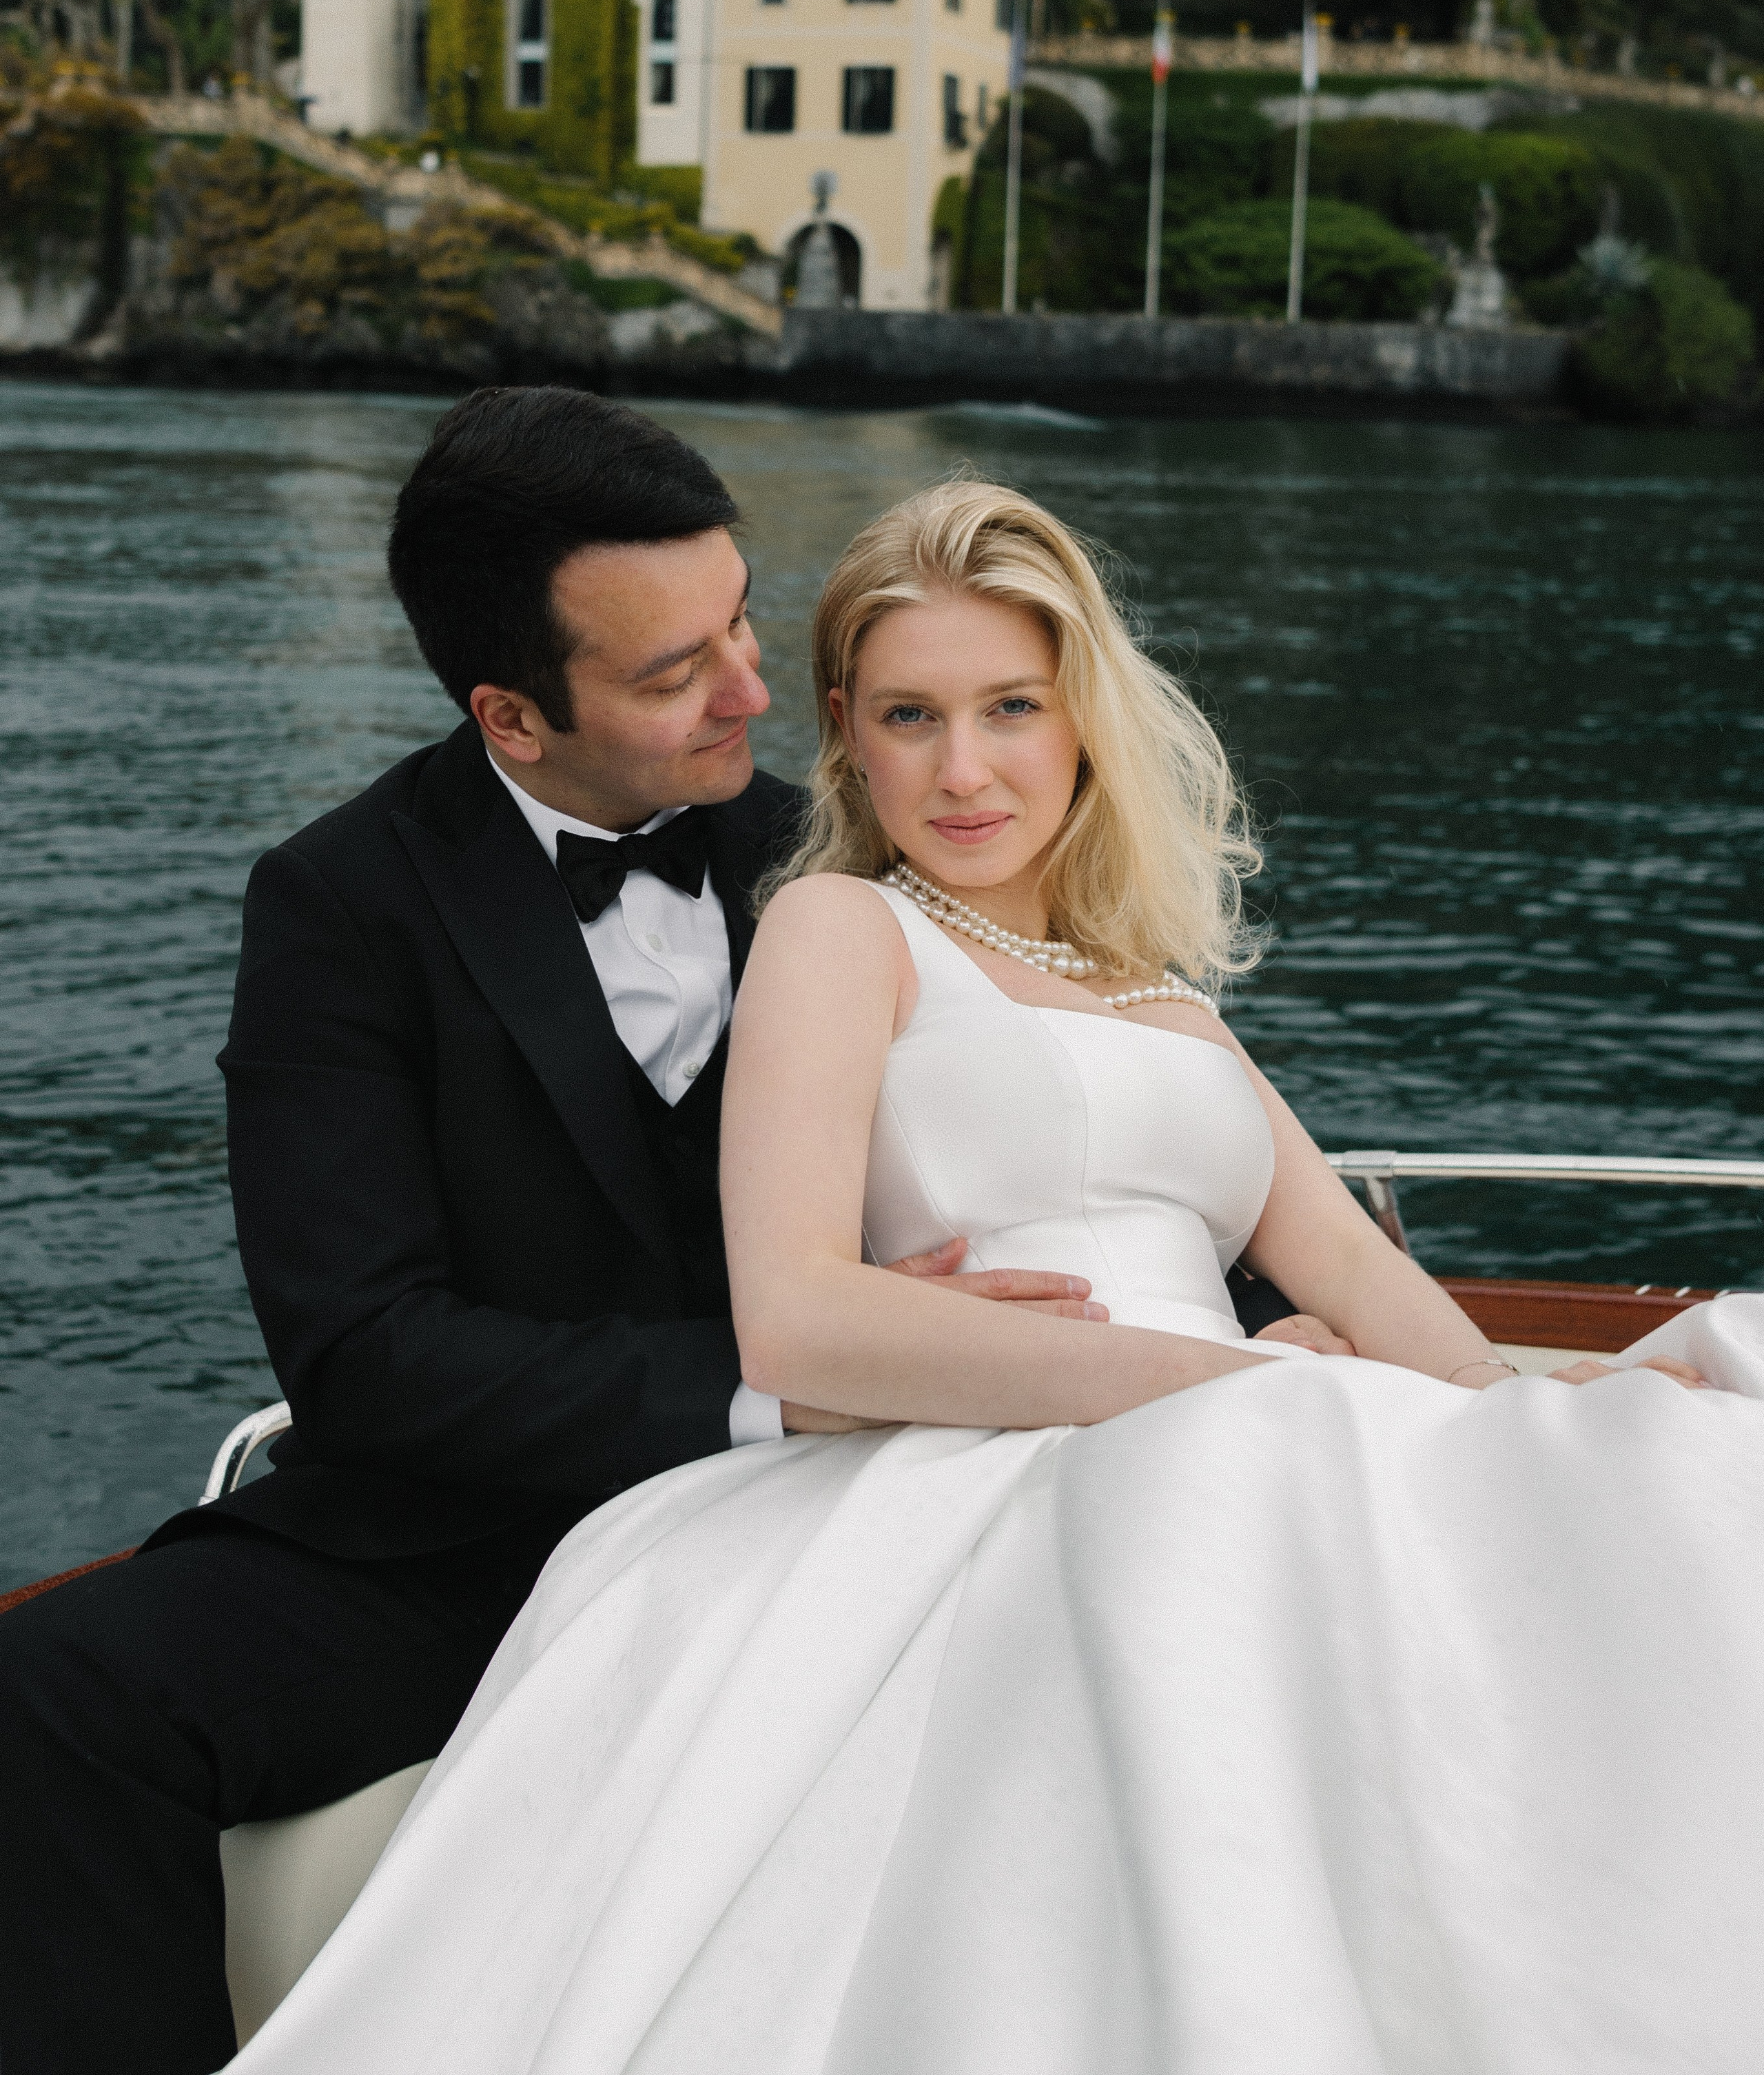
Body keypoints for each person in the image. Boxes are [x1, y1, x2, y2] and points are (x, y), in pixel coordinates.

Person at [225, 478, 1761, 2075]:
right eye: (910, 715)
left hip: (1257, 1431)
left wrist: (1559, 1402)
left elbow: (1387, 1309)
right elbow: (797, 1315)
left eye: (1010, 707)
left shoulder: (1158, 996)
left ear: (1080, 717)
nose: (961, 771)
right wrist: (1253, 1387)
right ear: (848, 733)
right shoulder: (836, 926)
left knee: (1691, 1451)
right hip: (1006, 1460)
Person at [0, 397, 1091, 2075]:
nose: (747, 687)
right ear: (508, 713)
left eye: (739, 617)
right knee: (52, 1697)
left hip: (848, 1511)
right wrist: (787, 1378)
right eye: (674, 673)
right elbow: (364, 1361)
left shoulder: (841, 849)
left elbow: (1068, 1085)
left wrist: (1250, 1298)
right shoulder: (340, 906)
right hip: (468, 1556)